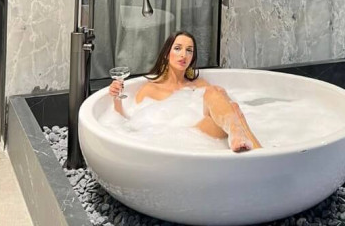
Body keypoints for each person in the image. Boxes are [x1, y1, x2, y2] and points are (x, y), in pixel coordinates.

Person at [109, 31, 261, 152]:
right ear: (166, 54)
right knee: (233, 109)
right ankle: (259, 151)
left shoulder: (199, 85)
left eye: (189, 51)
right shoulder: (150, 89)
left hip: (204, 134)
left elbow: (220, 106)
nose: (183, 55)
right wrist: (117, 98)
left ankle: (242, 137)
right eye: (177, 48)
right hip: (182, 138)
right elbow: (128, 122)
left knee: (220, 94)